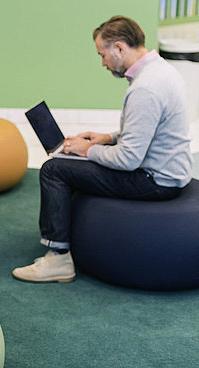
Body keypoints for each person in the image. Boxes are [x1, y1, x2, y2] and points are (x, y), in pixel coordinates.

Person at [12, 16, 193, 283]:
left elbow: (129, 159)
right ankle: (70, 238)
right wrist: (106, 138)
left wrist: (86, 151)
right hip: (170, 170)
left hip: (155, 180)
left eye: (103, 54)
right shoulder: (161, 71)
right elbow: (150, 129)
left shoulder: (145, 88)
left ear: (119, 47)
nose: (103, 63)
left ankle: (58, 258)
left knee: (54, 170)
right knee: (71, 160)